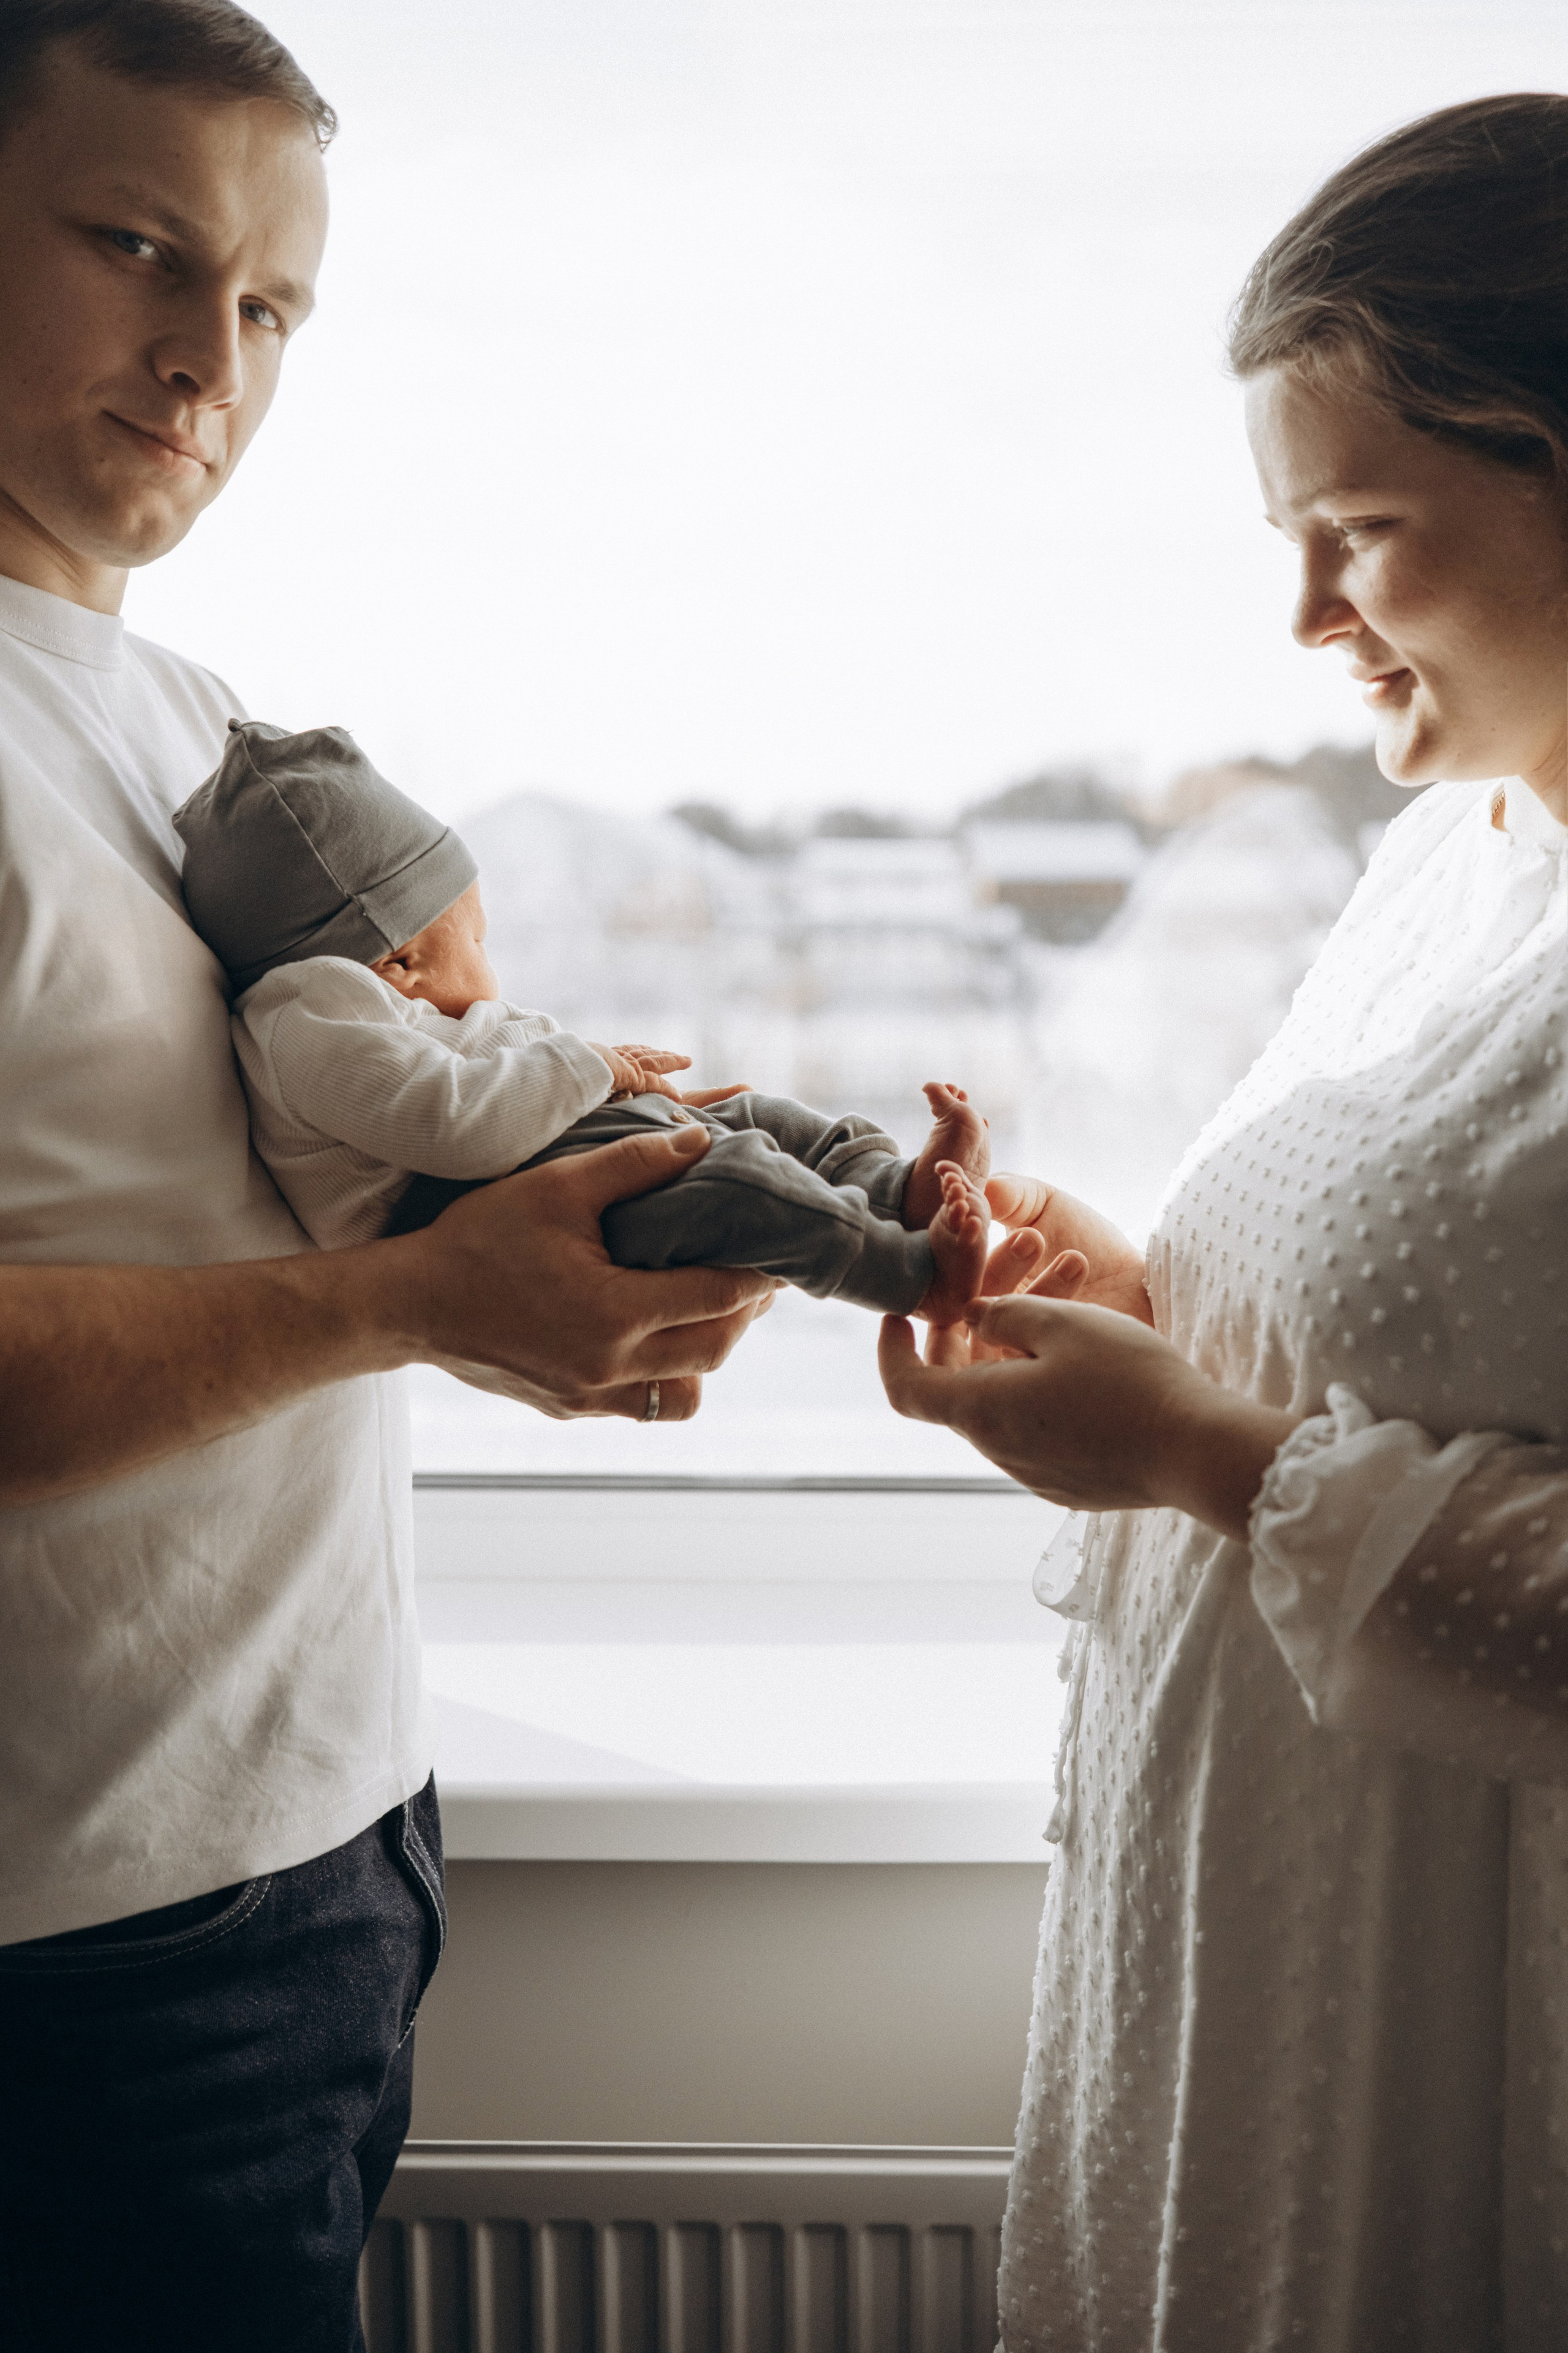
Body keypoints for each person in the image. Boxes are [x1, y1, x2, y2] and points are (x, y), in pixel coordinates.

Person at [0, 8, 780, 2349]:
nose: (201, 356)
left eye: (268, 305)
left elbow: (241, 1208)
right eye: (134, 246)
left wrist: (538, 1211)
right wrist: (420, 1307)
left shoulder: (192, 724)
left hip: (320, 1843)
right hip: (73, 1973)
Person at [880, 93, 1568, 2350]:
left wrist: (1205, 1456)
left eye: (1362, 527)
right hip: (1264, 1976)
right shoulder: (1454, 863)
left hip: (1474, 2032)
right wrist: (1130, 1295)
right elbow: (1422, 1317)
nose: (1303, 617)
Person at [173, 716, 1023, 1324]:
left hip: (530, 1149)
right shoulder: (310, 1014)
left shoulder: (371, 1004)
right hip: (458, 1202)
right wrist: (597, 1071)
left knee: (749, 1118)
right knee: (737, 1180)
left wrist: (632, 1092)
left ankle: (892, 1186)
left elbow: (493, 1076)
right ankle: (912, 1276)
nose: (491, 971)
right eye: (476, 939)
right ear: (398, 962)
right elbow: (456, 1123)